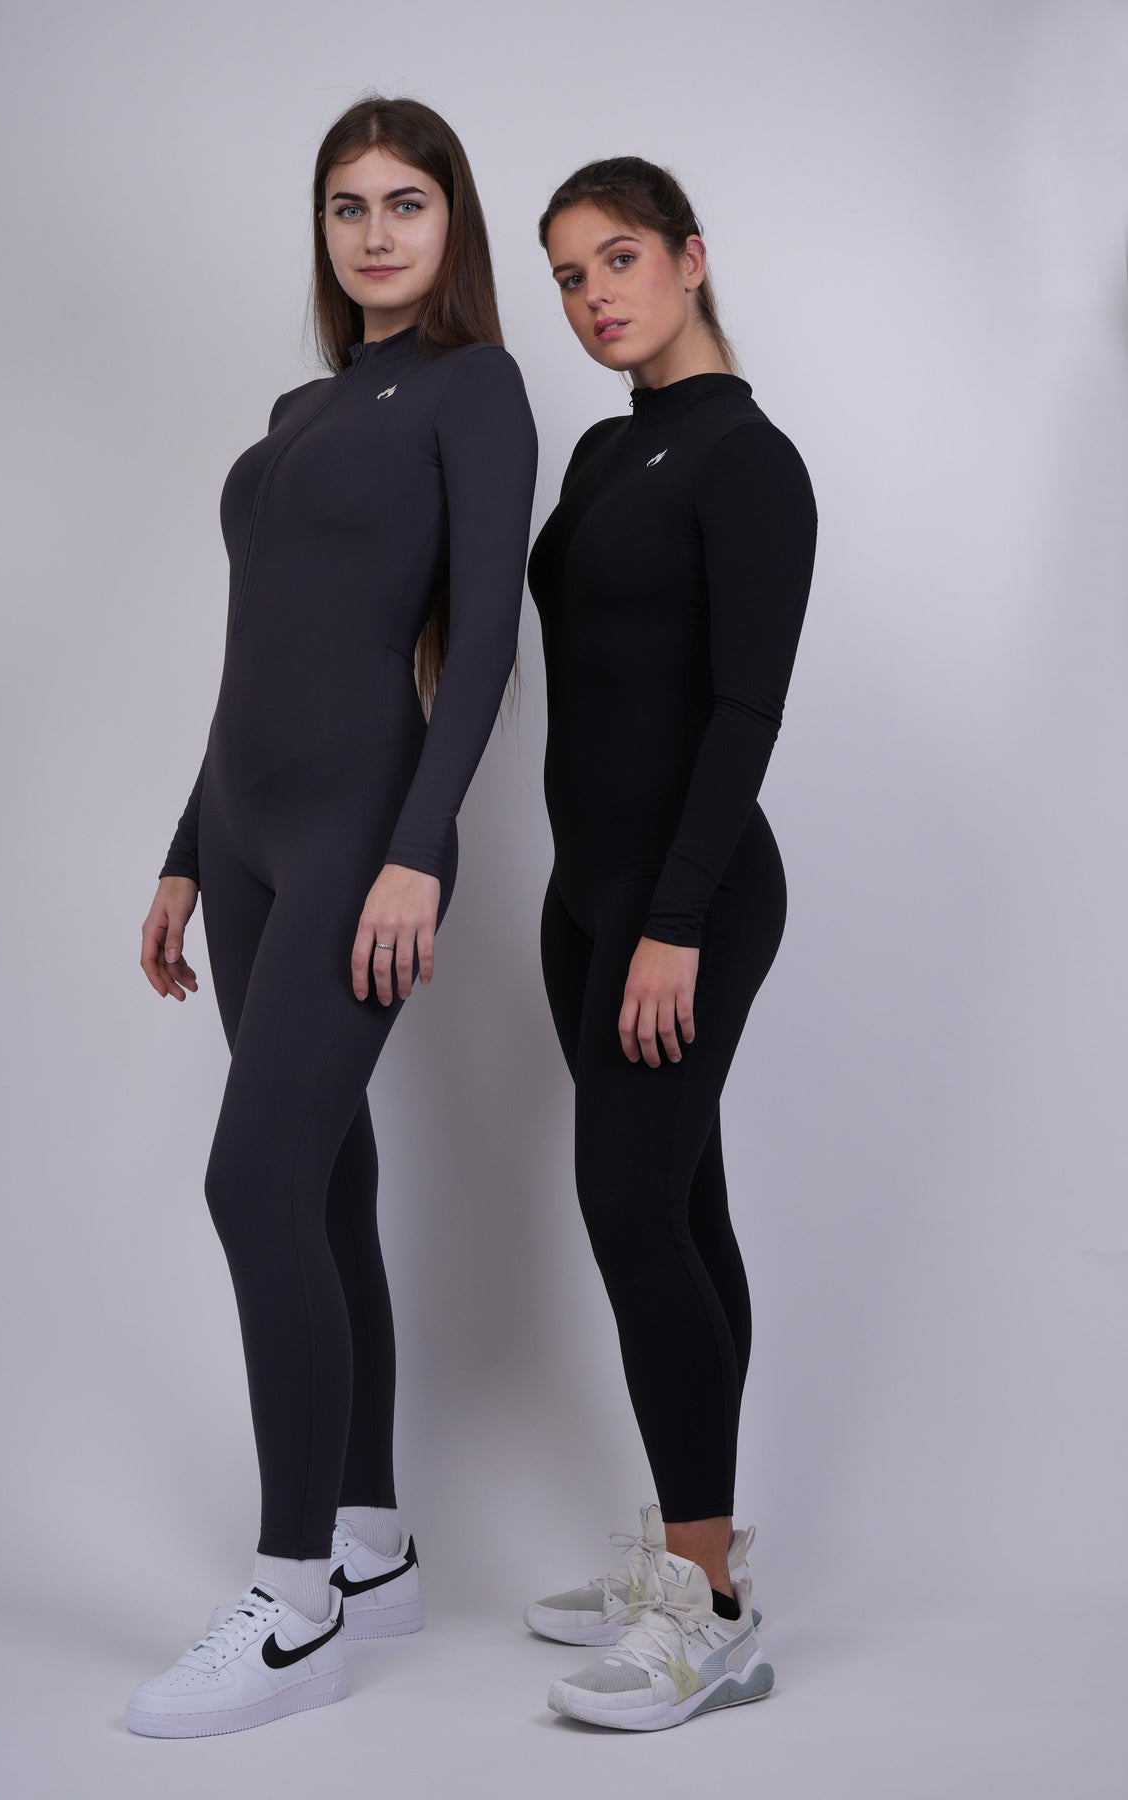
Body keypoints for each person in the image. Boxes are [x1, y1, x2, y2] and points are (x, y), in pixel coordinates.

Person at [126, 96, 538, 1739]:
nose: (373, 232)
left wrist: (421, 848)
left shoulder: (473, 385)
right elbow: (257, 645)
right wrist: (183, 848)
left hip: (365, 826)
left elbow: (486, 634)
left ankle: (292, 1601)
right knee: (325, 1171)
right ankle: (370, 1536)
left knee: (252, 1178)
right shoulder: (301, 405)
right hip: (242, 833)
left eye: (405, 203)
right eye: (347, 205)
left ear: (451, 223)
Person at [522, 156, 817, 1730]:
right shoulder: (601, 449)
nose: (594, 297)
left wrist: (674, 923)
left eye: (619, 259)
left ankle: (704, 1610)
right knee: (679, 1209)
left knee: (629, 1212)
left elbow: (744, 709)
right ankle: (694, 1552)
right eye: (568, 276)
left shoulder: (749, 461)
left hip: (684, 905)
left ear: (690, 258)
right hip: (586, 895)